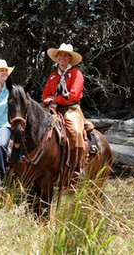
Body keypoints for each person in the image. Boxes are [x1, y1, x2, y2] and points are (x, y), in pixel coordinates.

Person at [42, 43, 95, 173]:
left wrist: (54, 99)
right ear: (57, 57)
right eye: (60, 55)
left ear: (70, 58)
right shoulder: (53, 76)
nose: (62, 58)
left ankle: (78, 165)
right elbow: (45, 94)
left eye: (65, 56)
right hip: (54, 109)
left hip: (71, 109)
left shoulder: (76, 74)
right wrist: (47, 101)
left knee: (75, 131)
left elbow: (73, 95)